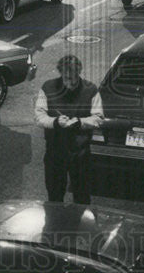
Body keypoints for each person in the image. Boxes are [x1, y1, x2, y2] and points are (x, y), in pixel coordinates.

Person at [33, 54, 103, 204]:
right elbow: (39, 117)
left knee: (82, 196)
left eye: (73, 78)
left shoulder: (91, 90)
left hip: (80, 154)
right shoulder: (47, 87)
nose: (69, 82)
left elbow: (98, 118)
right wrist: (55, 122)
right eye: (66, 78)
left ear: (79, 73)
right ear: (60, 73)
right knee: (54, 195)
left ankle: (82, 226)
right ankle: (54, 225)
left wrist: (80, 122)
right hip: (55, 152)